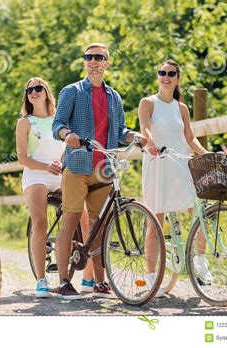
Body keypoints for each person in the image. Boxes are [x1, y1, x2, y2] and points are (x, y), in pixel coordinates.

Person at [52, 43, 147, 300]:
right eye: (89, 57)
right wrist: (68, 134)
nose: (93, 61)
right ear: (85, 62)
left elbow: (120, 132)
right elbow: (57, 124)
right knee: (71, 222)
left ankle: (99, 283)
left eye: (99, 57)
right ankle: (63, 282)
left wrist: (133, 135)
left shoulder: (113, 97)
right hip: (77, 166)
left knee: (100, 226)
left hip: (104, 167)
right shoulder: (71, 92)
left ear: (107, 62)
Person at [138, 59, 212, 296]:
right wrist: (151, 144)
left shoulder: (182, 108)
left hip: (180, 164)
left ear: (178, 78)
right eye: (162, 72)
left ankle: (199, 260)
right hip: (158, 162)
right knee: (155, 220)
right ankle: (151, 276)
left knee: (198, 212)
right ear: (158, 76)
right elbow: (145, 128)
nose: (165, 76)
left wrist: (203, 153)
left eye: (171, 73)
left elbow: (190, 138)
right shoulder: (147, 103)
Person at [16, 77, 64, 298]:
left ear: (46, 92)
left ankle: (81, 276)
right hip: (37, 174)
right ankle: (41, 279)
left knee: (79, 214)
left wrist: (60, 164)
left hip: (60, 172)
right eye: (29, 90)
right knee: (40, 221)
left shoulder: (59, 119)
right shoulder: (25, 122)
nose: (33, 92)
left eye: (38, 88)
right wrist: (46, 166)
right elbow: (22, 158)